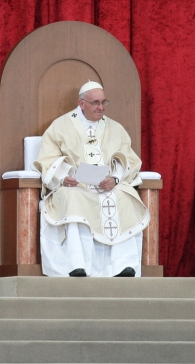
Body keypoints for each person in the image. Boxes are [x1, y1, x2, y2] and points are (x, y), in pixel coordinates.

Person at [34, 81, 150, 278]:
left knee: (124, 196)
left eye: (104, 102)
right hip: (76, 184)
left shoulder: (115, 128)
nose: (101, 107)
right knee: (73, 198)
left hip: (107, 185)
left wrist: (114, 178)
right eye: (96, 103)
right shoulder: (60, 126)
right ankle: (77, 264)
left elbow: (127, 157)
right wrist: (64, 177)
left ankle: (123, 266)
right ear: (81, 103)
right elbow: (48, 157)